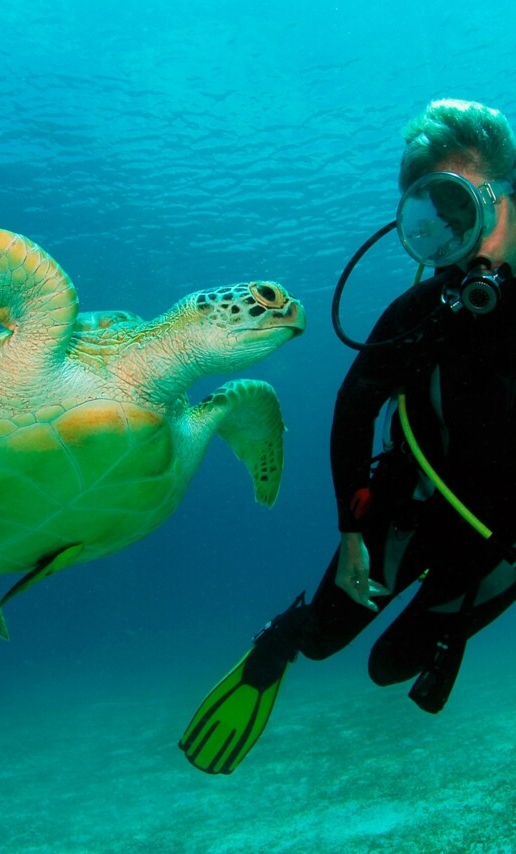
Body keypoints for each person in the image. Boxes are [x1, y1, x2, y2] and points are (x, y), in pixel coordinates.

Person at [179, 98, 516, 774]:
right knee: (321, 642)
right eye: (443, 221)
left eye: (472, 208)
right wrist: (352, 533)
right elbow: (352, 411)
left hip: (500, 541)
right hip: (407, 508)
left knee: (391, 667)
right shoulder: (422, 314)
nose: (464, 238)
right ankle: (278, 641)